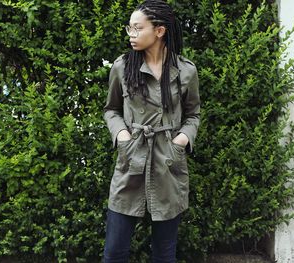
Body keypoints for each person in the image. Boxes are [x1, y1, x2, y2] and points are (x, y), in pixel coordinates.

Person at [103, 1, 200, 262]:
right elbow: (111, 109)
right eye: (129, 28)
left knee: (164, 253)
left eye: (138, 28)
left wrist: (181, 140)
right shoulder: (122, 67)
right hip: (131, 159)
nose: (131, 35)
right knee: (114, 251)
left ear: (159, 31)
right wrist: (122, 136)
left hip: (168, 163)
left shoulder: (185, 71)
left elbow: (193, 115)